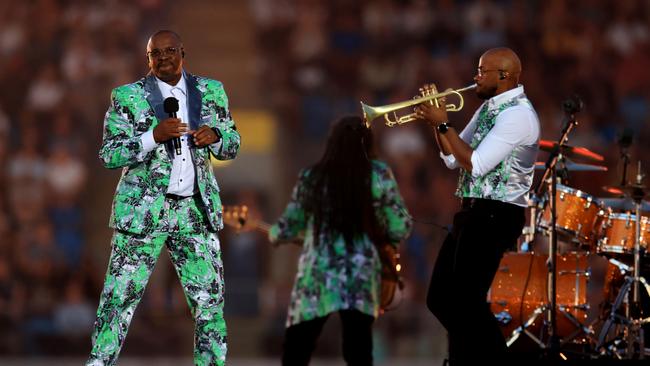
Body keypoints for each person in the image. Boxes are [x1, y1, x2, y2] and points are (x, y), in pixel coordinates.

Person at [86, 30, 239, 366]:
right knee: (118, 299)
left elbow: (232, 143)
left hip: (193, 210)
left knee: (209, 302)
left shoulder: (211, 91)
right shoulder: (127, 97)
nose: (164, 57)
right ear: (148, 58)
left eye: (170, 50)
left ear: (183, 51)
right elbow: (108, 154)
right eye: (156, 53)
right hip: (143, 212)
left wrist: (216, 137)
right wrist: (152, 136)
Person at [416, 47, 540, 363]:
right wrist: (435, 122)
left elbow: (478, 163)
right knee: (441, 299)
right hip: (472, 212)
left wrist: (444, 125)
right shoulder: (490, 108)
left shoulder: (518, 115)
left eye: (482, 71)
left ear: (504, 76)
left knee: (467, 304)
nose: (475, 77)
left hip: (496, 214)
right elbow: (450, 158)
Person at [268, 116, 412, 366]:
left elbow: (288, 227)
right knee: (358, 351)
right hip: (361, 275)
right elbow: (401, 226)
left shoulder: (312, 177)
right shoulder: (378, 175)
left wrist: (273, 234)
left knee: (297, 350)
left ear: (331, 143)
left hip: (317, 276)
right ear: (368, 143)